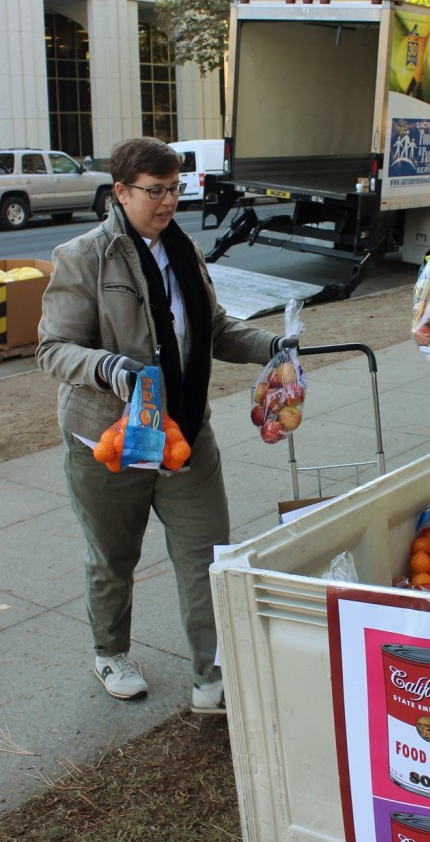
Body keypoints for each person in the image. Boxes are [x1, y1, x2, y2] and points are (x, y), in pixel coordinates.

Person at [36, 137, 297, 713]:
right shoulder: (85, 255)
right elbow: (53, 349)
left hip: (186, 434)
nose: (168, 201)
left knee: (207, 556)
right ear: (121, 191)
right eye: (155, 191)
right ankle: (110, 651)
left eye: (175, 189)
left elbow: (216, 330)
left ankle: (214, 675)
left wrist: (273, 346)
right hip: (110, 440)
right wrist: (107, 367)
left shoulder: (184, 252)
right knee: (113, 557)